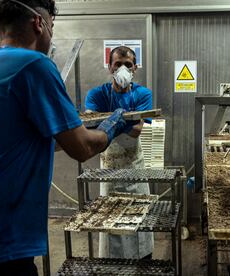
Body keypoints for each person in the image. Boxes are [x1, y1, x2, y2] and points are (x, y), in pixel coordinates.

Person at [0, 0, 127, 275]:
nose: (51, 34)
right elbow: (82, 148)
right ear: (39, 23)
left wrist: (76, 132)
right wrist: (110, 128)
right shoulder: (33, 65)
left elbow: (24, 142)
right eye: (52, 26)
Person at [85, 46, 154, 259]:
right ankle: (113, 264)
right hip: (109, 164)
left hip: (134, 164)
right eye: (118, 64)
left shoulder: (142, 94)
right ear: (110, 67)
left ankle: (143, 262)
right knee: (111, 218)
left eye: (128, 65)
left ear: (135, 68)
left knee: (138, 216)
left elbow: (137, 131)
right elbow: (89, 128)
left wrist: (111, 120)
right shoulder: (97, 94)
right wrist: (125, 119)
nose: (123, 68)